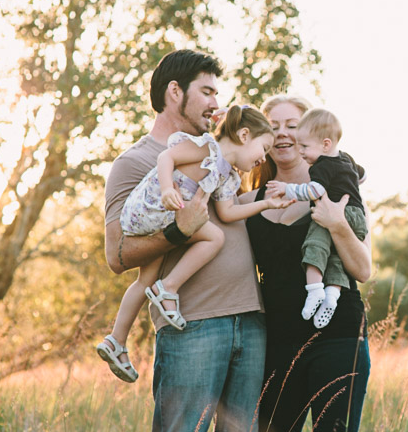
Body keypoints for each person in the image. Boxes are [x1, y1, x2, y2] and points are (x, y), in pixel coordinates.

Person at [103, 49, 270, 432]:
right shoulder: (135, 162)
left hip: (252, 322)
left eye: (219, 92)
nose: (217, 103)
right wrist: (179, 231)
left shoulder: (221, 154)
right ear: (175, 92)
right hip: (192, 326)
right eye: (207, 92)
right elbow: (117, 254)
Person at [97, 104, 287, 383]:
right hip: (153, 208)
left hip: (164, 220)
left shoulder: (226, 175)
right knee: (215, 237)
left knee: (144, 281)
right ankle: (169, 289)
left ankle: (116, 341)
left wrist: (266, 204)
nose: (263, 158)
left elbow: (227, 212)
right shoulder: (208, 149)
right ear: (245, 135)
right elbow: (166, 158)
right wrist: (165, 190)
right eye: (265, 147)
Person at [243, 95, 372, 432]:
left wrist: (336, 224)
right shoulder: (248, 200)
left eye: (292, 124)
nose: (282, 132)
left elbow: (363, 270)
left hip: (337, 338)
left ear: (312, 134)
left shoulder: (335, 191)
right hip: (277, 345)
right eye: (272, 124)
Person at [266, 108, 367, 329]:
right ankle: (331, 296)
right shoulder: (344, 158)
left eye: (304, 145)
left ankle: (314, 291)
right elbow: (362, 174)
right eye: (274, 127)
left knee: (315, 245)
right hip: (357, 214)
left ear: (325, 144)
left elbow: (314, 191)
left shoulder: (322, 165)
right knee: (337, 259)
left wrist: (288, 189)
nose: (300, 150)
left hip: (339, 212)